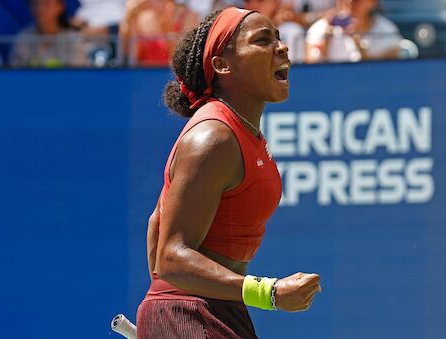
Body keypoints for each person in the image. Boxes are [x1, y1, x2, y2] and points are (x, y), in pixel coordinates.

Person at [136, 7, 322, 338]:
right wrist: (270, 293)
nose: (281, 47)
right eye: (263, 40)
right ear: (222, 64)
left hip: (211, 307)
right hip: (190, 312)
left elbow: (156, 224)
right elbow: (168, 257)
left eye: (278, 38)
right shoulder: (214, 136)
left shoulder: (241, 131)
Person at [305, 0, 405, 63]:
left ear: (373, 2)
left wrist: (359, 46)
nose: (349, 3)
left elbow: (387, 74)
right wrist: (325, 46)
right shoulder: (320, 29)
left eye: (357, 0)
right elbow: (313, 74)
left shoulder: (387, 30)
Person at [11, 0, 88, 67]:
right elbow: (15, 76)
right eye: (35, 3)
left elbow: (76, 78)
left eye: (46, 3)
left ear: (60, 6)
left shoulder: (73, 40)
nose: (39, 10)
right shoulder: (23, 38)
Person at [122, 0, 200, 66]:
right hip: (144, 76)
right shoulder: (142, 16)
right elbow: (133, 54)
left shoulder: (188, 16)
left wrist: (167, 31)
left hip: (172, 77)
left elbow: (183, 58)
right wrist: (130, 18)